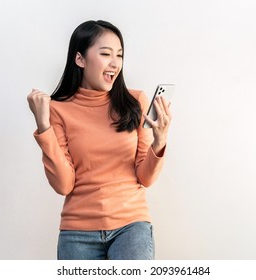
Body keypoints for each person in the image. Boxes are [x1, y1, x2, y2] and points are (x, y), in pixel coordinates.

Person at [27, 20, 172, 260]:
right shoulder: (58, 110)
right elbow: (63, 185)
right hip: (77, 233)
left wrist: (160, 141)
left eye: (119, 55)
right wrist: (44, 127)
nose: (115, 63)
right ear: (80, 59)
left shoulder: (136, 102)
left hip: (131, 226)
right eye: (105, 54)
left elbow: (145, 178)